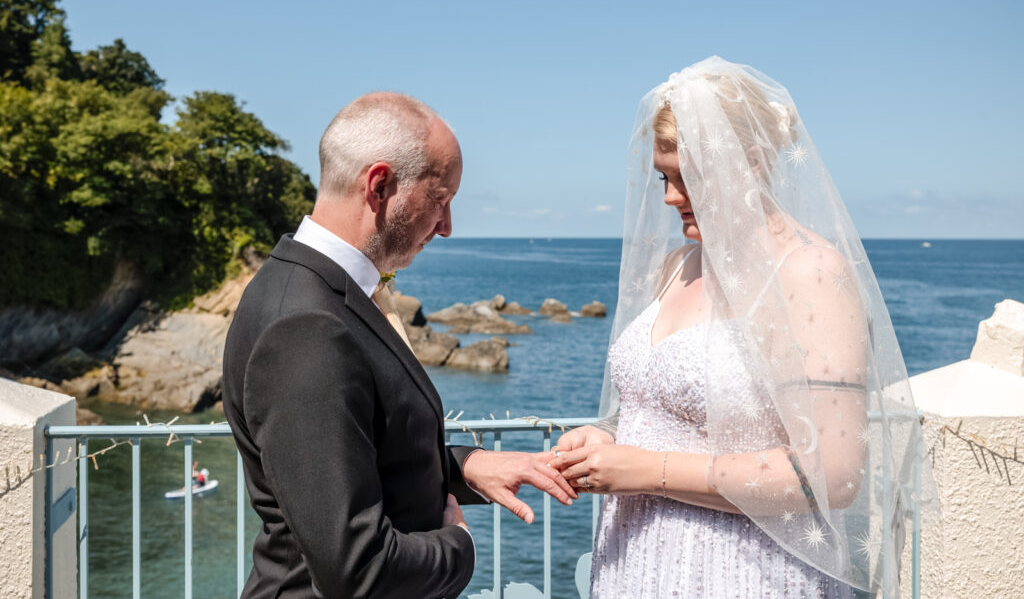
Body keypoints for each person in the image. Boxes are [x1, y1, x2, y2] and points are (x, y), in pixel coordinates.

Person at [550, 57, 936, 597]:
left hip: (743, 569)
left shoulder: (809, 274)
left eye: (688, 178)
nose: (669, 197)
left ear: (751, 164)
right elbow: (663, 410)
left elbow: (836, 473)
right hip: (635, 564)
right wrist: (607, 438)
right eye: (664, 177)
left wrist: (642, 469)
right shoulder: (681, 265)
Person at [222, 92, 576, 599]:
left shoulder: (308, 288)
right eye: (441, 199)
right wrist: (459, 548)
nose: (448, 227)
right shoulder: (306, 325)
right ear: (380, 184)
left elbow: (354, 454)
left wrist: (465, 467)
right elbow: (356, 567)